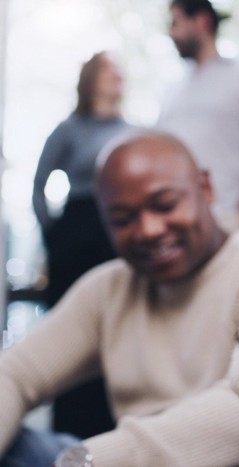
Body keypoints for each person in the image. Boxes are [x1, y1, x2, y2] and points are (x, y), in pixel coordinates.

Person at [0, 130, 239, 466]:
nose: (148, 229)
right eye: (123, 219)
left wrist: (92, 459)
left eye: (165, 205)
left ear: (205, 187)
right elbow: (17, 373)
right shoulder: (108, 288)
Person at [31, 50, 137, 439]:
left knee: (115, 326)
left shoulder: (132, 131)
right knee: (71, 331)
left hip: (117, 235)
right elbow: (38, 188)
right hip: (76, 236)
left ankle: (113, 428)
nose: (118, 76)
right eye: (110, 70)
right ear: (92, 78)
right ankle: (68, 430)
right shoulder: (69, 130)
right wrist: (54, 236)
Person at [157, 0, 239, 231]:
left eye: (175, 23)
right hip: (178, 224)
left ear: (201, 21)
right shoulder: (172, 91)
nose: (170, 33)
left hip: (228, 222)